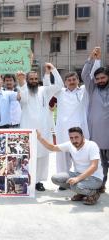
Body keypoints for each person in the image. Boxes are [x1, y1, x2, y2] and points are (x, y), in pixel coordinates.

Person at [17, 62, 64, 191]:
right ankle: (27, 180)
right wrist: (22, 83)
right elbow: (24, 100)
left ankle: (39, 181)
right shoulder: (22, 89)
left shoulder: (44, 90)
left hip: (43, 129)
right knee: (28, 155)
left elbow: (59, 85)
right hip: (28, 128)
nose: (33, 81)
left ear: (38, 80)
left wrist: (52, 70)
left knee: (43, 156)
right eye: (30, 79)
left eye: (35, 79)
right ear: (27, 80)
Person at [37, 127, 103, 205]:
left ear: (82, 136)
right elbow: (52, 147)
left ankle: (94, 193)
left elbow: (94, 166)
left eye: (76, 137)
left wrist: (77, 179)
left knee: (76, 186)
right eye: (71, 138)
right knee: (56, 178)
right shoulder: (70, 144)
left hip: (94, 178)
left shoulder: (92, 145)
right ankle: (82, 193)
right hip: (77, 174)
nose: (74, 140)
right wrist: (39, 138)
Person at [54, 71, 93, 183]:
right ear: (65, 82)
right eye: (69, 80)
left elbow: (90, 76)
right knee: (62, 156)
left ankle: (81, 179)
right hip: (63, 130)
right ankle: (62, 181)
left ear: (78, 80)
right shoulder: (59, 92)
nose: (71, 82)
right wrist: (52, 71)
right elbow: (49, 85)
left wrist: (96, 61)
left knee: (82, 156)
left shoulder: (84, 90)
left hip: (80, 129)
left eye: (74, 79)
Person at [81, 47, 109, 193]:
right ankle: (101, 184)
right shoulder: (92, 89)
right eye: (97, 79)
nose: (100, 81)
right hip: (97, 136)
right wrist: (91, 58)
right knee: (100, 164)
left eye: (103, 78)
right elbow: (85, 74)